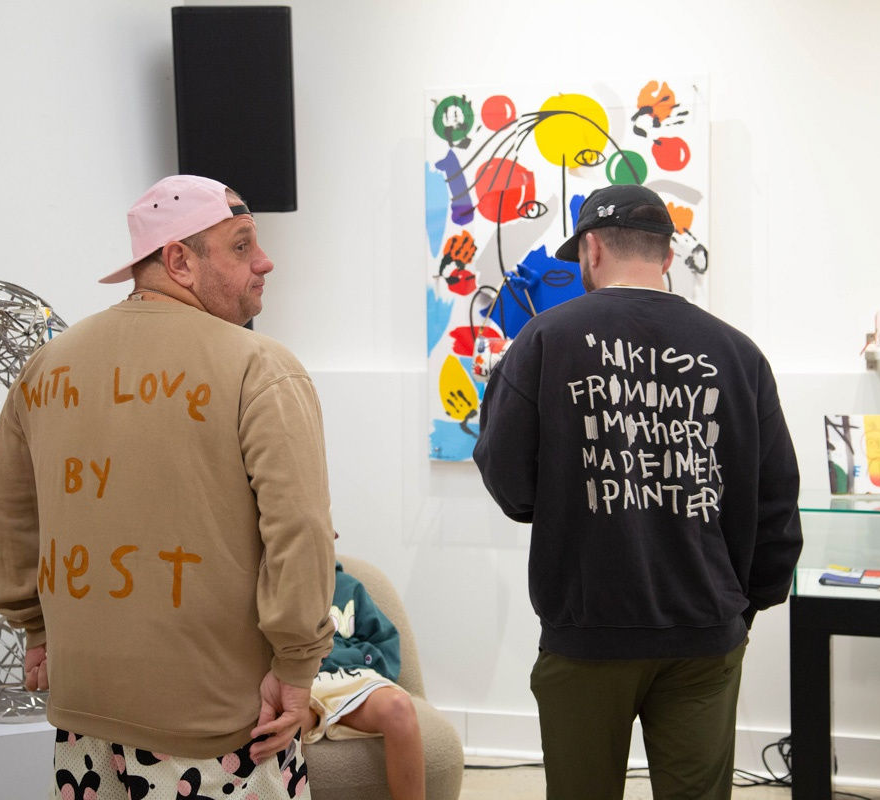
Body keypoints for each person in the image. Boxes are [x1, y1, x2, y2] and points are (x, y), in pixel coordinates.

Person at [0, 174, 337, 800]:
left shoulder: (47, 366)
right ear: (178, 260)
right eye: (240, 245)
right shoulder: (261, 367)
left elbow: (6, 516)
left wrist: (33, 628)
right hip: (218, 732)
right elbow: (299, 529)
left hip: (83, 716)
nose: (265, 261)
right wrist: (296, 665)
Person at [472, 184, 803, 800]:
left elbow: (512, 490)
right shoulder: (739, 355)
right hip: (705, 630)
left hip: (586, 630)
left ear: (590, 250)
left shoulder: (543, 342)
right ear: (668, 256)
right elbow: (777, 502)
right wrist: (745, 605)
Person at [298, 555, 425, 800]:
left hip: (352, 678)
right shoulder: (269, 586)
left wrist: (352, 657)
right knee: (278, 726)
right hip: (301, 682)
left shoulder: (349, 586)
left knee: (399, 707)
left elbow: (385, 642)